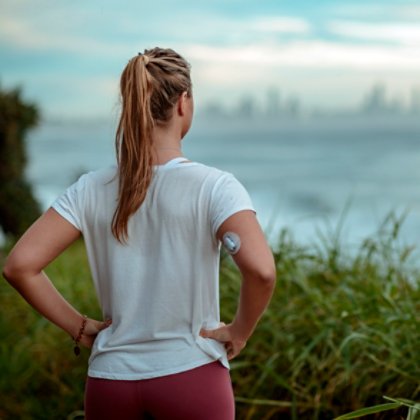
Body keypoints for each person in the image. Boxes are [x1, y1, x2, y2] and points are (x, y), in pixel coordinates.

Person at [2, 47, 276, 420]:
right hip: (191, 377)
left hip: (110, 383)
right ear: (183, 103)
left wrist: (80, 329)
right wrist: (240, 330)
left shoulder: (90, 188)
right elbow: (261, 271)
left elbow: (19, 266)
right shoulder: (215, 187)